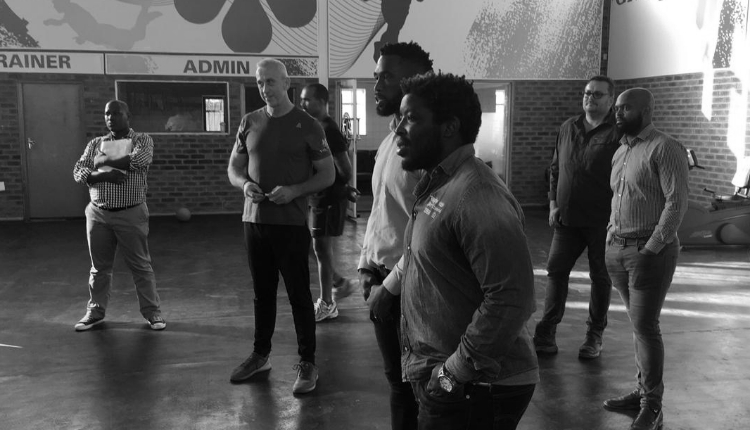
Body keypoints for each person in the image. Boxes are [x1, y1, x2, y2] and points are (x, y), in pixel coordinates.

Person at [394, 72, 539, 430]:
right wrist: (388, 290)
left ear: (449, 127)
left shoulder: (476, 194)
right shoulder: (442, 183)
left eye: (411, 118)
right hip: (455, 382)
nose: (398, 129)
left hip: (477, 387)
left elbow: (512, 297)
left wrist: (451, 374)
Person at [227, 58, 335, 394]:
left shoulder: (308, 125)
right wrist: (244, 184)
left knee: (299, 296)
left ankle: (308, 362)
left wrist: (294, 191)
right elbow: (234, 168)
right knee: (262, 294)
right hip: (254, 222)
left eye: (271, 81)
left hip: (290, 224)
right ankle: (261, 355)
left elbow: (328, 174)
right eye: (260, 82)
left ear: (286, 83)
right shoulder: (250, 121)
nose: (265, 88)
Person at [602, 88, 688, 430]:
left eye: (626, 108)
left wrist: (652, 247)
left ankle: (652, 405)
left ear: (647, 110)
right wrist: (610, 234)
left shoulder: (665, 147)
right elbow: (619, 198)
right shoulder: (622, 150)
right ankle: (642, 392)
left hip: (649, 253)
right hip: (618, 249)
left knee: (646, 327)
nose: (618, 113)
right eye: (617, 108)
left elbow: (676, 203)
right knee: (639, 326)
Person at [358, 41, 432, 430]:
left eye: (387, 77)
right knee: (398, 384)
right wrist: (365, 264)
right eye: (376, 76)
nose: (377, 85)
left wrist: (389, 287)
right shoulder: (391, 140)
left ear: (415, 80)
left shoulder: (427, 149)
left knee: (421, 387)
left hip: (411, 286)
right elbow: (380, 211)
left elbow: (428, 231)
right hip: (381, 278)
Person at [534, 76, 620, 358]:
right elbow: (556, 168)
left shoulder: (618, 132)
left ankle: (594, 336)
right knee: (556, 272)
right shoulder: (568, 127)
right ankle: (546, 332)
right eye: (587, 93)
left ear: (611, 100)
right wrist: (553, 204)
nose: (590, 98)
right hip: (567, 219)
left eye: (597, 94)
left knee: (600, 278)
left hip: (603, 221)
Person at [72, 100, 165, 331]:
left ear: (128, 115)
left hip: (130, 213)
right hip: (98, 214)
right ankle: (95, 312)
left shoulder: (141, 140)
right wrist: (103, 175)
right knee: (99, 268)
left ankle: (152, 312)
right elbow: (79, 171)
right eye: (107, 114)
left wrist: (102, 161)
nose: (111, 118)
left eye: (116, 113)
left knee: (140, 266)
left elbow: (139, 160)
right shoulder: (96, 143)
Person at [299, 83, 360, 322]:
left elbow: (345, 169)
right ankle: (339, 282)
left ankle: (327, 303)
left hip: (328, 199)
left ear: (322, 101)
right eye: (302, 99)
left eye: (307, 99)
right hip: (317, 197)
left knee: (321, 250)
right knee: (312, 247)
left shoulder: (329, 130)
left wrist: (342, 188)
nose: (302, 104)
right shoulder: (315, 128)